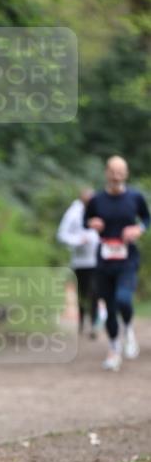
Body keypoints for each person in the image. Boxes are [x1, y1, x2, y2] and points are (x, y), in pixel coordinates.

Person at [85, 155, 149, 371]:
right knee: (109, 307)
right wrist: (92, 223)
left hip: (127, 259)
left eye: (120, 172)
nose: (116, 176)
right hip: (104, 260)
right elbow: (87, 219)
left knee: (123, 299)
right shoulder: (97, 200)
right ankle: (114, 350)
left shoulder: (135, 198)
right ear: (106, 173)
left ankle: (128, 328)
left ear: (126, 173)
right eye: (112, 172)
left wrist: (138, 229)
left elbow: (147, 218)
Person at [57, 187, 101, 338]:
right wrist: (78, 240)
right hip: (80, 261)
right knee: (83, 293)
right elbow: (62, 235)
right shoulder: (73, 213)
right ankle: (82, 323)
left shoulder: (99, 210)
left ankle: (94, 324)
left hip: (97, 259)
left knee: (95, 291)